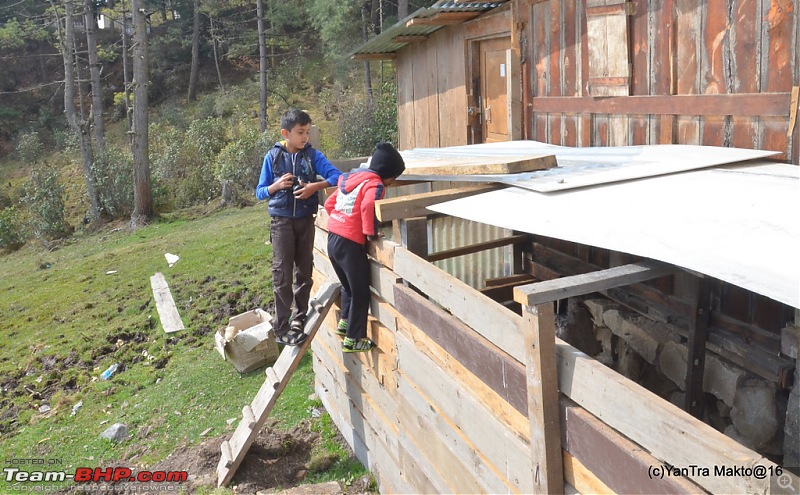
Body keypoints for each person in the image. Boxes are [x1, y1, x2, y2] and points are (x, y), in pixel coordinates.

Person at [256, 108, 342, 346]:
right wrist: (276, 185)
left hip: (306, 220)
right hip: (281, 223)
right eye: (300, 133)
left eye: (307, 132)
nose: (305, 137)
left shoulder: (313, 156)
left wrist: (315, 186)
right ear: (286, 133)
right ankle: (281, 328)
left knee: (304, 271)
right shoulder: (271, 157)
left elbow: (338, 177)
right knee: (282, 274)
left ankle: (298, 319)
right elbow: (260, 191)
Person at [324, 142, 405, 353]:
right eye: (393, 178)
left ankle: (345, 323)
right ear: (387, 173)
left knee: (349, 286)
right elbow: (368, 205)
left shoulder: (349, 179)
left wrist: (340, 220)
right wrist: (369, 233)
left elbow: (329, 205)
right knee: (360, 291)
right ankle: (353, 339)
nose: (391, 183)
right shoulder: (375, 184)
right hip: (350, 243)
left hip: (333, 239)